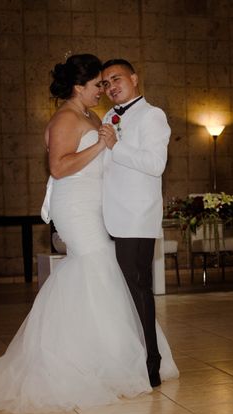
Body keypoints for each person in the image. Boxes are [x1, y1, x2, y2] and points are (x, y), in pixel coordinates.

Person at [0, 54, 178, 413]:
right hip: (76, 207)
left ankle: (104, 357)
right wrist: (101, 145)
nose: (103, 89)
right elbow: (59, 167)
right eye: (98, 84)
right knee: (96, 267)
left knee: (101, 276)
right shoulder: (66, 118)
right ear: (79, 87)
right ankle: (86, 362)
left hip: (99, 207)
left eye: (107, 82)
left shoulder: (94, 116)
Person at [100, 58, 171, 387]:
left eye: (116, 79)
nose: (110, 86)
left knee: (138, 288)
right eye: (105, 83)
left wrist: (117, 145)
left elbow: (155, 164)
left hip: (136, 216)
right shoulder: (107, 116)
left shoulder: (152, 115)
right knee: (118, 292)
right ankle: (127, 357)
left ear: (134, 78)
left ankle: (151, 361)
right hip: (110, 215)